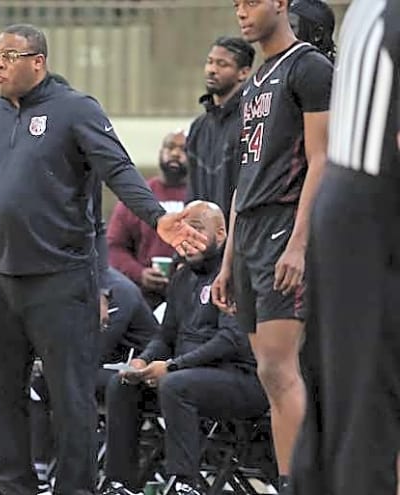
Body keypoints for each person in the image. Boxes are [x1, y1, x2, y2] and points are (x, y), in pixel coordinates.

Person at [0, 24, 205, 495]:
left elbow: (119, 169)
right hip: (2, 281)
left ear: (38, 62)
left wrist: (157, 217)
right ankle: (15, 487)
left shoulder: (76, 109)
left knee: (70, 397)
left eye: (9, 56)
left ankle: (74, 488)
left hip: (62, 280)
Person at [210, 1, 332, 493]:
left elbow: (322, 158)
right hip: (250, 231)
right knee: (269, 371)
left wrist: (300, 243)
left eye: (252, 2)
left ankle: (302, 482)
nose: (242, 12)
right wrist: (227, 260)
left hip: (285, 223)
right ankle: (287, 481)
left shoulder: (309, 67)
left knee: (281, 367)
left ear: (280, 3)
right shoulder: (256, 80)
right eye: (237, 4)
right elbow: (245, 176)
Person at [291, 1, 399, 493]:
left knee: (339, 413)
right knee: (361, 420)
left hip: (347, 205)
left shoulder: (368, 9)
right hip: (372, 210)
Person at [104, 201, 268, 495]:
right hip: (187, 375)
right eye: (184, 230)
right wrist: (142, 361)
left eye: (197, 229)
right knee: (123, 383)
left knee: (175, 385)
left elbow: (230, 341)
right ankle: (120, 485)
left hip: (240, 378)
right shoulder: (181, 278)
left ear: (221, 233)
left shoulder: (233, 275)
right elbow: (165, 336)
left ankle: (184, 485)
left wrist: (173, 366)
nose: (189, 238)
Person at [108, 130, 188, 308]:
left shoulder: (200, 196)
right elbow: (114, 246)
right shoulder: (140, 196)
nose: (175, 153)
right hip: (142, 297)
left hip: (189, 294)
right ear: (160, 152)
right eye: (170, 147)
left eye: (184, 149)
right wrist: (140, 273)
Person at [185, 36, 255, 218]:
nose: (212, 70)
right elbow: (192, 193)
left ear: (243, 72)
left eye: (222, 64)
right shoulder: (198, 128)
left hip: (241, 229)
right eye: (210, 62)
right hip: (203, 231)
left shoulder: (251, 121)